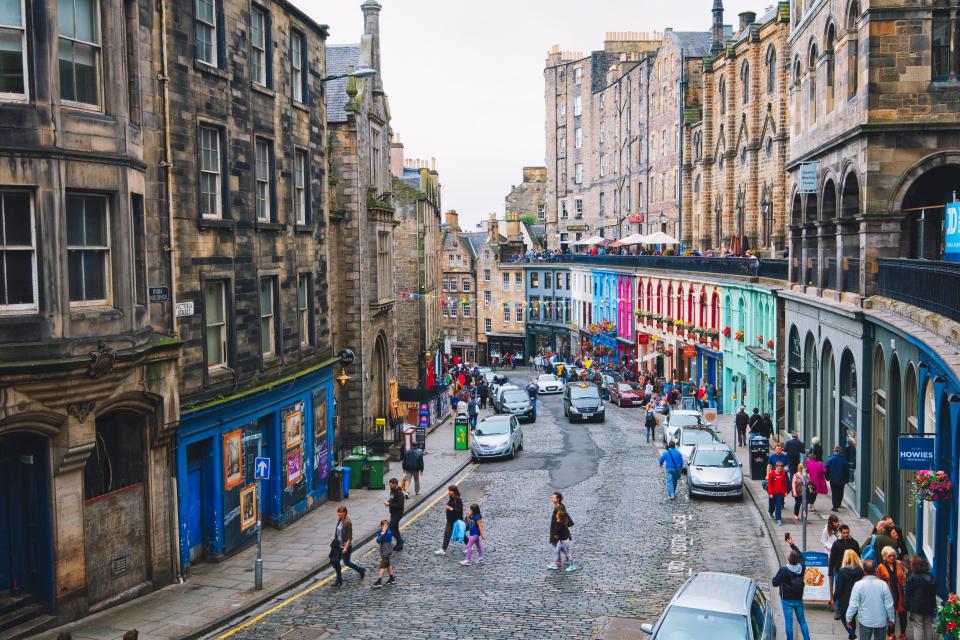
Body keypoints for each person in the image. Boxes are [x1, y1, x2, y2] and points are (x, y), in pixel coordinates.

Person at [846, 559, 895, 640]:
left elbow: (853, 605)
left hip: (865, 620)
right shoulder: (883, 585)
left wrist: (848, 618)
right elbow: (889, 605)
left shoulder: (858, 585)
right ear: (875, 570)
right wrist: (891, 619)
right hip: (881, 621)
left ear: (863, 570)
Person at [772, 542, 811, 640]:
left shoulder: (783, 570)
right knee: (802, 621)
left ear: (789, 559)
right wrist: (792, 544)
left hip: (786, 600)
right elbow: (801, 556)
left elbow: (774, 583)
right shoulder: (802, 568)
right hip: (798, 599)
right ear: (797, 559)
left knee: (788, 622)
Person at [330, 506, 366, 586]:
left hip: (345, 546)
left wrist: (345, 547)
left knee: (346, 562)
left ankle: (360, 570)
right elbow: (338, 532)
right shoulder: (340, 519)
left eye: (340, 512)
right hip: (338, 546)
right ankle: (339, 580)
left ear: (344, 513)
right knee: (336, 562)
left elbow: (350, 537)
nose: (338, 513)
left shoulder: (347, 522)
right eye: (338, 512)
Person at [877, 546, 907, 640]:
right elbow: (878, 581)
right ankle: (891, 634)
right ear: (885, 557)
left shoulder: (899, 564)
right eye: (890, 556)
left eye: (893, 556)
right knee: (890, 615)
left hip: (900, 593)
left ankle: (902, 633)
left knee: (903, 614)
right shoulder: (881, 567)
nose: (892, 558)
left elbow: (905, 575)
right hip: (888, 594)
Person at [834, 550, 865, 640]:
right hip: (857, 598)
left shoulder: (842, 571)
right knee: (852, 617)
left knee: (843, 617)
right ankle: (851, 636)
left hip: (844, 599)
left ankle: (853, 636)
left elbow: (839, 588)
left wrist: (834, 598)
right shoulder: (860, 570)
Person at [905, 555, 936, 640]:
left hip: (916, 606)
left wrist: (906, 605)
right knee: (928, 625)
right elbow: (934, 591)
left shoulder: (911, 577)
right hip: (929, 605)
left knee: (917, 626)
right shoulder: (930, 576)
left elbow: (908, 592)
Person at [435, 485, 464, 556]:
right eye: (449, 490)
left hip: (456, 521)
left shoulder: (458, 500)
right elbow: (450, 504)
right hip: (450, 520)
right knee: (447, 534)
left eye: (450, 491)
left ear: (454, 491)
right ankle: (443, 550)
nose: (449, 492)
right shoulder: (451, 498)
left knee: (461, 535)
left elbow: (459, 510)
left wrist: (450, 508)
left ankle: (470, 546)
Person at [548, 502, 575, 572]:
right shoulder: (559, 522)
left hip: (564, 541)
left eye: (557, 515)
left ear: (559, 516)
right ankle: (555, 564)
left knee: (567, 553)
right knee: (556, 551)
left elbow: (560, 532)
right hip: (560, 541)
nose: (556, 515)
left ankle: (572, 565)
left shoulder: (561, 524)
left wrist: (556, 535)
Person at [371, 520, 396, 588]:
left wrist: (383, 534)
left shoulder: (389, 533)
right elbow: (378, 541)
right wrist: (381, 534)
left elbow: (382, 539)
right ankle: (392, 578)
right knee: (387, 564)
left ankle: (379, 581)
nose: (385, 527)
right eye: (383, 526)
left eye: (386, 526)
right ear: (381, 526)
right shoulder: (380, 531)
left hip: (387, 551)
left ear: (388, 526)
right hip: (383, 550)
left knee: (382, 565)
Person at [825, 445, 849, 511]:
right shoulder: (844, 459)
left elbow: (826, 469)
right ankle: (839, 503)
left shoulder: (831, 459)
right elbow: (847, 470)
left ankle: (835, 506)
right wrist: (847, 479)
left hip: (833, 478)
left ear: (834, 451)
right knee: (840, 491)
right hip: (842, 478)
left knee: (834, 492)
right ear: (840, 451)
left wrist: (827, 477)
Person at [384, 478, 405, 552]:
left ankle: (400, 541)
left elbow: (400, 505)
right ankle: (399, 544)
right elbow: (392, 499)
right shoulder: (392, 491)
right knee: (395, 528)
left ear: (395, 484)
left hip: (398, 513)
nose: (390, 486)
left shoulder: (400, 493)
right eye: (390, 485)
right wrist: (388, 502)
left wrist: (389, 504)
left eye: (391, 485)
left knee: (391, 527)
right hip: (393, 513)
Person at [766, 461, 789, 525]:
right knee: (772, 505)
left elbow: (784, 484)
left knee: (778, 506)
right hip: (772, 493)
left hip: (779, 493)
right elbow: (769, 484)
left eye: (781, 468)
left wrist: (785, 492)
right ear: (776, 467)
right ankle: (770, 512)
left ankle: (778, 519)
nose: (780, 470)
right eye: (778, 468)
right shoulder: (772, 474)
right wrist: (770, 493)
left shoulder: (783, 474)